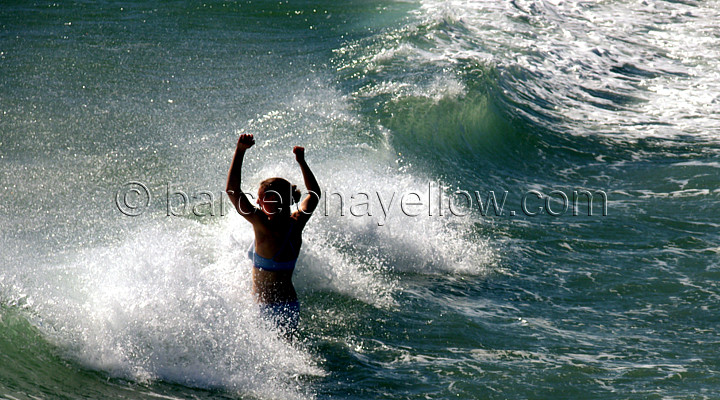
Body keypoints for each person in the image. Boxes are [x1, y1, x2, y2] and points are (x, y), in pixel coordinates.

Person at [225, 133, 320, 338]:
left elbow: (232, 191)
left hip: (265, 311)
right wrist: (301, 162)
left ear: (269, 200)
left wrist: (240, 151)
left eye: (260, 199)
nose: (258, 203)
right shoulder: (297, 222)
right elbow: (314, 194)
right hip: (290, 307)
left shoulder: (262, 225)